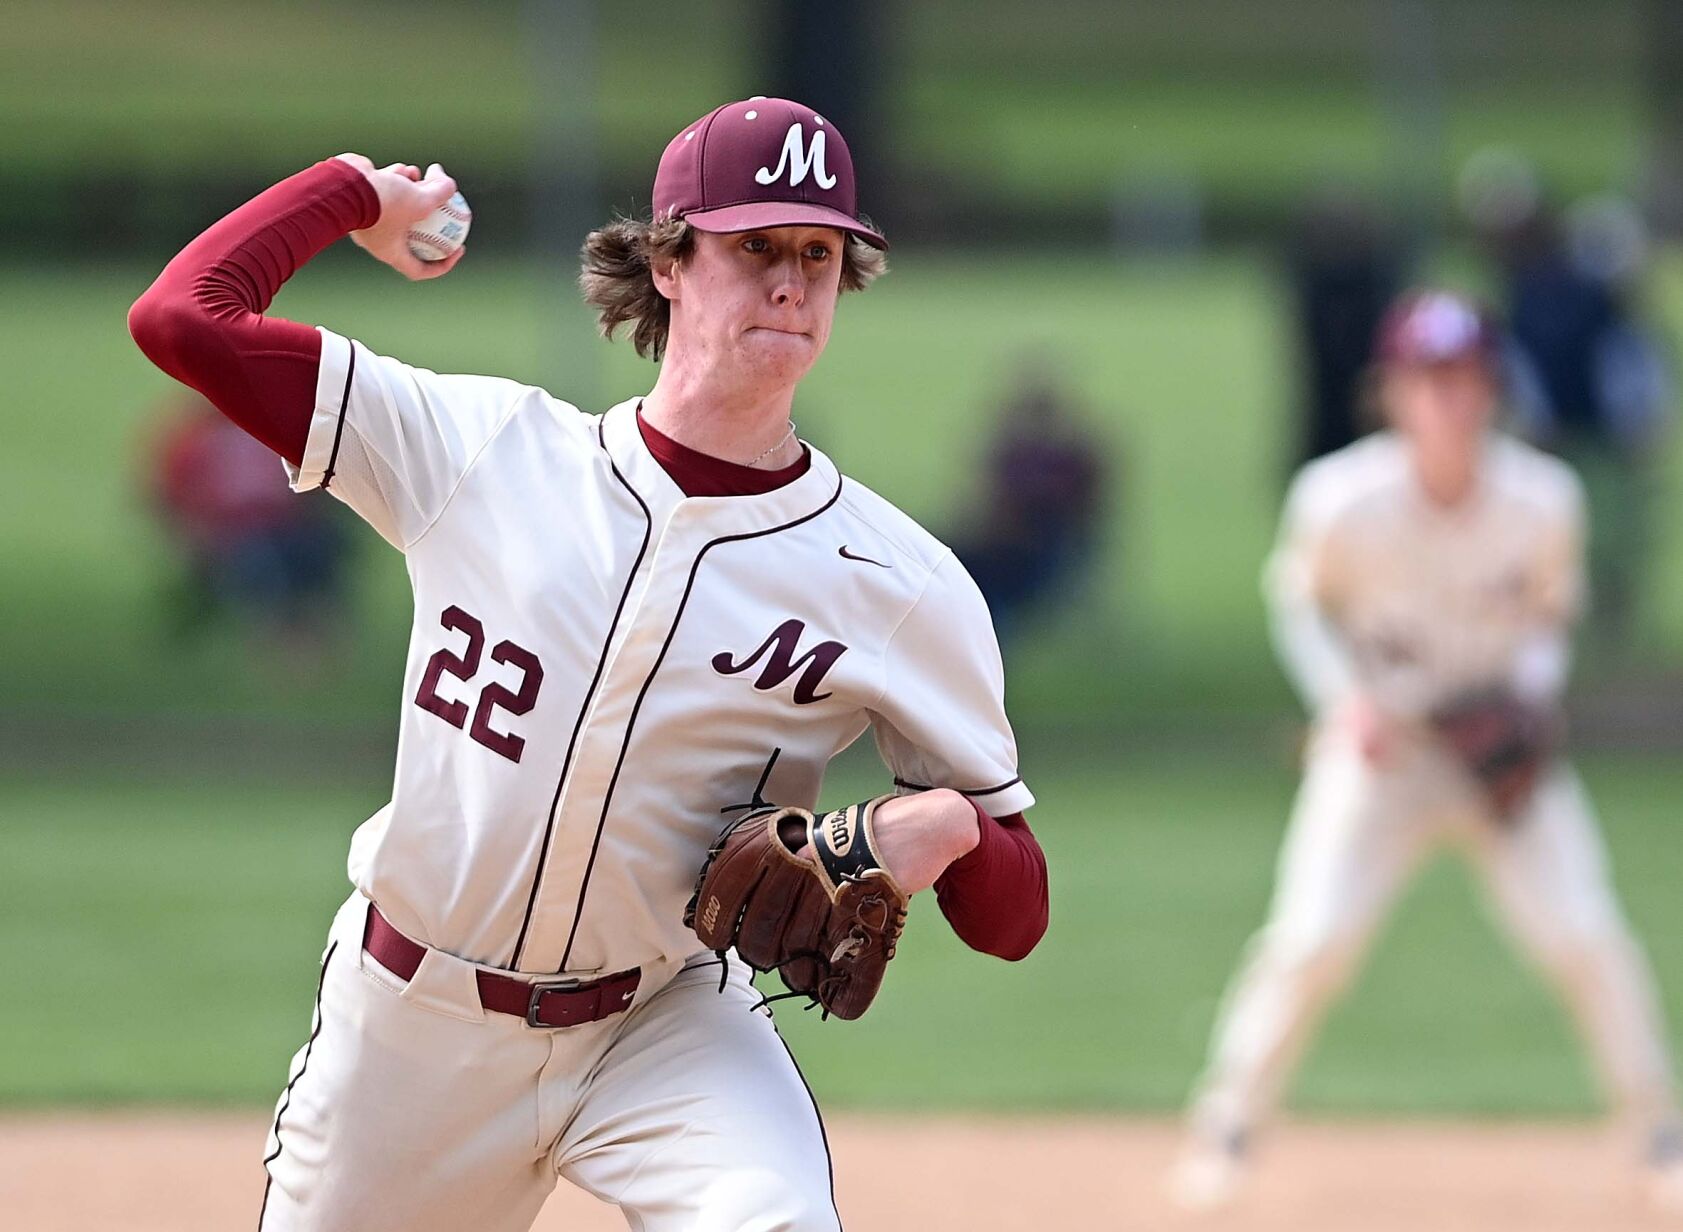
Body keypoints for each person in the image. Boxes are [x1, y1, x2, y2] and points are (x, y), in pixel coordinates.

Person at [128, 97, 1048, 1232]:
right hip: (412, 1031)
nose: (791, 283)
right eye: (754, 245)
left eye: (819, 252)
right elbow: (182, 318)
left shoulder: (897, 580)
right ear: (667, 259)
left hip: (663, 1023)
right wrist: (355, 192)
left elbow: (1016, 911)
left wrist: (948, 829)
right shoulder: (481, 451)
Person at [1170, 290, 1683, 1212]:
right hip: (1385, 752)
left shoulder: (1541, 498)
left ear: (1491, 387)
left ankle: (1657, 1130)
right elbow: (1298, 603)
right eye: (1428, 378)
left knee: (1584, 936)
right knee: (1312, 940)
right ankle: (1228, 1126)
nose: (1449, 397)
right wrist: (1345, 703)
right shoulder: (1338, 499)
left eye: (1465, 377)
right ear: (1394, 392)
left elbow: (1547, 621)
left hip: (1501, 761)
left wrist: (1528, 696)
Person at [148, 390, 350, 659]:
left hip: (287, 525)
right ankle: (279, 649)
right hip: (230, 534)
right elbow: (168, 498)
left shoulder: (273, 428)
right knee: (264, 568)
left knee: (318, 554)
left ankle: (316, 641)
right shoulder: (196, 439)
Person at [951, 359, 1108, 636]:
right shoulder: (1017, 454)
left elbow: (1082, 518)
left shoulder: (1068, 461)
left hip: (1040, 554)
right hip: (1004, 550)